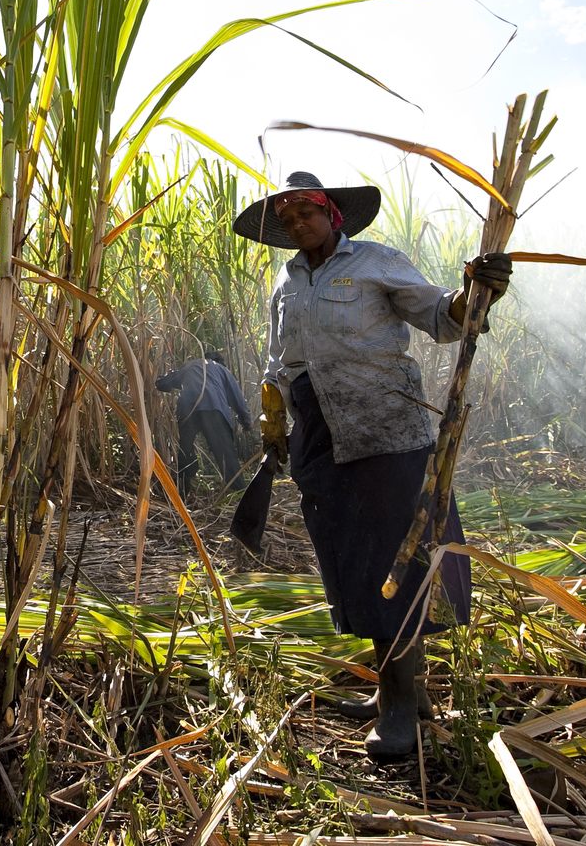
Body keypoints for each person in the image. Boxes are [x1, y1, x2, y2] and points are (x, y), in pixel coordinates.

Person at [236, 171, 511, 763]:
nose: (296, 225)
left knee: (396, 560)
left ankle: (398, 710)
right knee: (351, 559)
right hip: (319, 438)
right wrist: (274, 422)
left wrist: (475, 292)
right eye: (286, 220)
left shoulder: (376, 263)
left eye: (305, 213)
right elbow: (280, 362)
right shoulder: (284, 284)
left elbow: (444, 317)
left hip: (385, 428)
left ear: (333, 213)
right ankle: (404, 690)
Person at [155, 350, 253, 496]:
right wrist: (246, 421)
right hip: (214, 410)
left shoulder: (190, 366)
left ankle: (182, 493)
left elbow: (162, 383)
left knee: (185, 451)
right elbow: (237, 399)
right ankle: (240, 494)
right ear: (219, 361)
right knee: (225, 454)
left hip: (189, 411)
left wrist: (162, 380)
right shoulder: (222, 370)